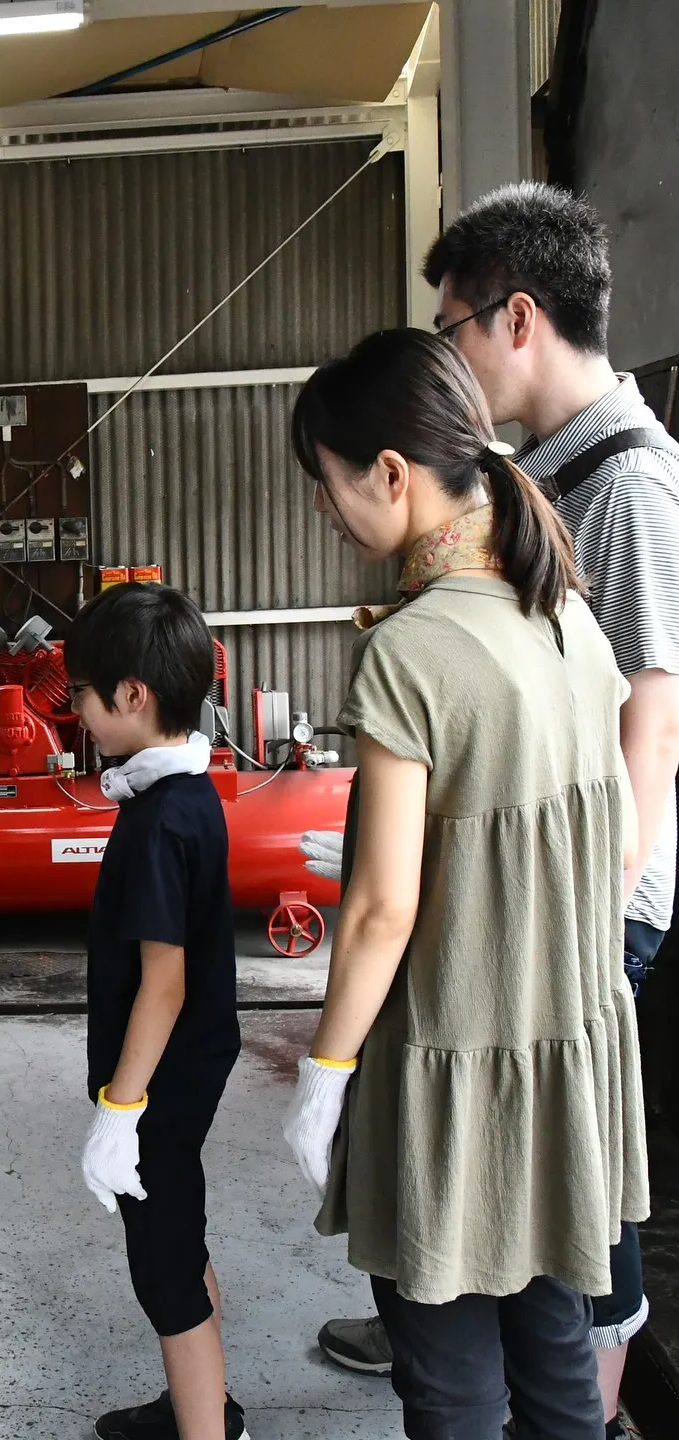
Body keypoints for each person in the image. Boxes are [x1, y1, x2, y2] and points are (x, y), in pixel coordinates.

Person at [312, 183, 679, 1435]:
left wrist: (325, 1072)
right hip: (559, 1037)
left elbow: (379, 911)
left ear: (396, 474)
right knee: (557, 1355)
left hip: (461, 1052)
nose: (327, 512)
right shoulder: (562, 606)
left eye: (330, 486)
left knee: (453, 1380)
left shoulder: (414, 650)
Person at [65, 582, 247, 1440]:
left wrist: (120, 1110)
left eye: (86, 702)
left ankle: (204, 1427)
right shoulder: (184, 795)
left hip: (160, 1087)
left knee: (165, 1274)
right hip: (187, 1072)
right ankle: (203, 1407)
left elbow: (162, 985)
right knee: (184, 1237)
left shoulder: (159, 824)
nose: (81, 720)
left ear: (132, 696)